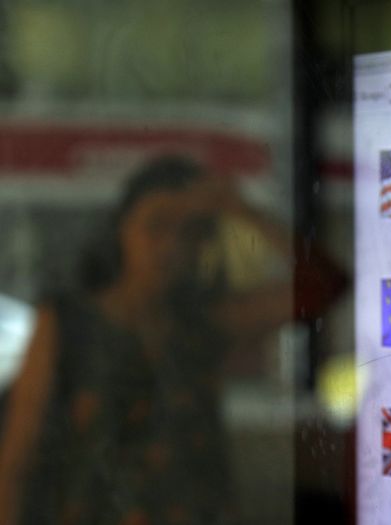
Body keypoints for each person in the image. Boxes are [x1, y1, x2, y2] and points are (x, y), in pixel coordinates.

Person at [0, 156, 295, 525]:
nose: (170, 246)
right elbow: (18, 460)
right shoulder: (70, 322)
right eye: (157, 226)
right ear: (122, 229)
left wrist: (241, 209)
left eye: (189, 232)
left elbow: (321, 287)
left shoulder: (203, 322)